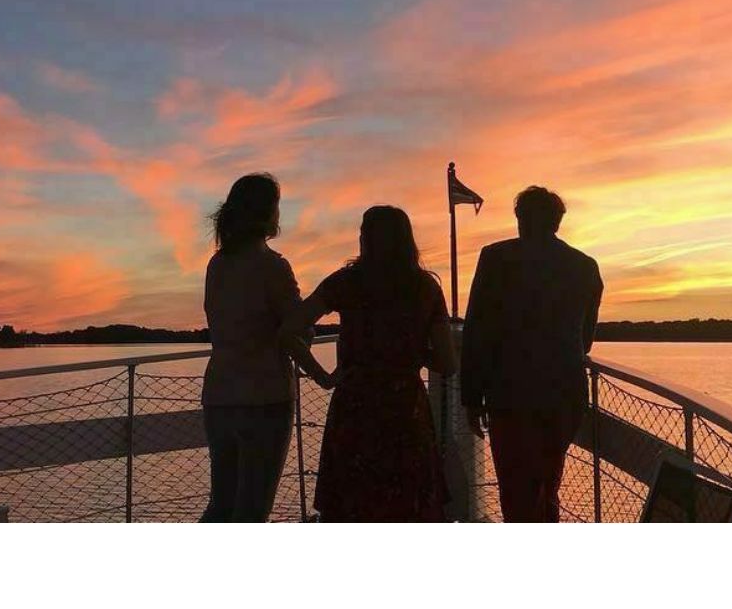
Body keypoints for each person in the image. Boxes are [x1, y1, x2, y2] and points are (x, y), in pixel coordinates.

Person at [285, 206, 456, 522]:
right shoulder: (425, 288)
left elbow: (289, 329)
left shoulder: (346, 283)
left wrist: (322, 376)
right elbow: (447, 363)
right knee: (409, 504)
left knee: (353, 503)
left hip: (355, 407)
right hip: (406, 409)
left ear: (365, 238)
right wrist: (415, 354)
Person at [459, 186, 604, 523]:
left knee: (516, 488)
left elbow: (477, 329)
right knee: (547, 483)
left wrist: (471, 395)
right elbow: (585, 339)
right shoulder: (584, 266)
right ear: (557, 221)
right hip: (564, 393)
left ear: (520, 219)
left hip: (510, 394)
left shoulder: (495, 258)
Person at [200, 173, 333, 522]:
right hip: (264, 397)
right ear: (267, 213)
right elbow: (293, 331)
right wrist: (322, 375)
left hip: (219, 395)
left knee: (221, 504)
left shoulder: (217, 264)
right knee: (252, 510)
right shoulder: (272, 266)